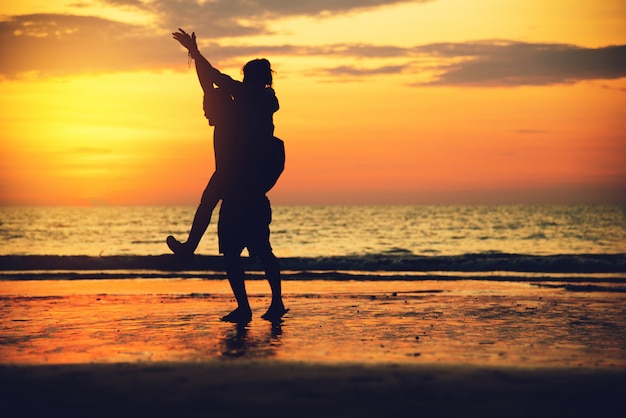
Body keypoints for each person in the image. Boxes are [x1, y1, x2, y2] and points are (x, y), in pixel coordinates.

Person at [171, 29, 288, 323]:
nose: (206, 114)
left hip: (245, 182)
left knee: (260, 249)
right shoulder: (241, 104)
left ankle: (275, 302)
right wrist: (195, 55)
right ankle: (245, 306)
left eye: (249, 77)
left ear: (260, 79)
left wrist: (195, 53)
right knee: (233, 251)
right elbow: (209, 83)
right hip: (235, 184)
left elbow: (214, 79)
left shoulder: (256, 101)